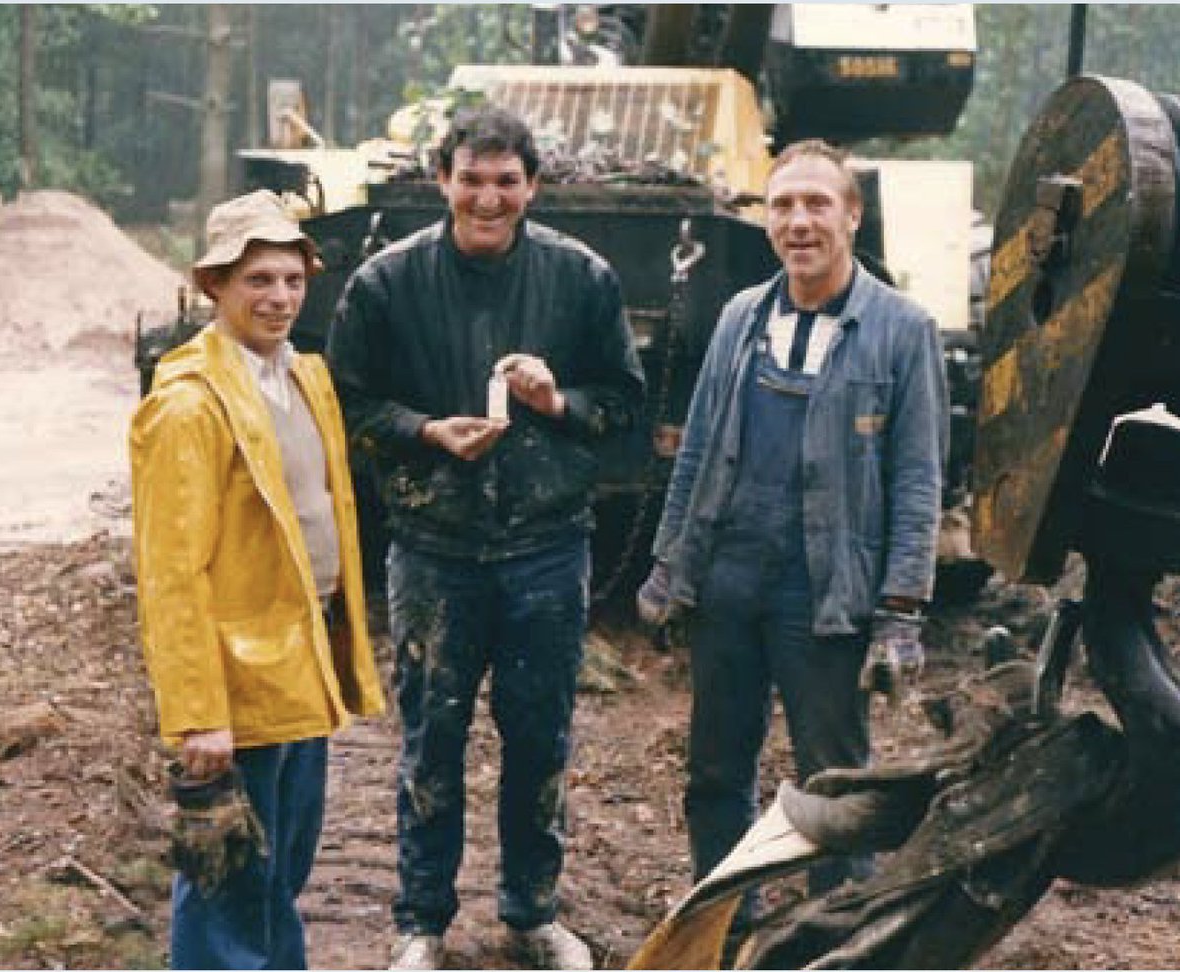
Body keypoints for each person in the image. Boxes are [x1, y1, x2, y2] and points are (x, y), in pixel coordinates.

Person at [327, 105, 645, 971]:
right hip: (435, 546)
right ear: (442, 180)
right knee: (432, 737)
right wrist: (427, 432)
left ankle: (531, 913)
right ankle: (421, 924)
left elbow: (624, 403)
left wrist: (556, 403)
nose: (489, 197)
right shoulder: (386, 285)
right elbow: (347, 404)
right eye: (471, 178)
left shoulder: (582, 280)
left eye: (507, 181)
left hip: (547, 545)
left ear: (532, 186)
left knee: (540, 735)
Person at [638, 139, 947, 905]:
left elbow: (917, 481)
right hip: (729, 581)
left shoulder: (903, 329)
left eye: (816, 203)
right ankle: (725, 916)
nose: (799, 221)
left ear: (853, 214)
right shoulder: (742, 316)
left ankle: (837, 931)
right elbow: (701, 450)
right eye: (782, 205)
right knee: (715, 770)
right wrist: (670, 567)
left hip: (828, 592)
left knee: (836, 784)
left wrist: (900, 612)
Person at [130, 189, 385, 970]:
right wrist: (198, 713)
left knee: (280, 869)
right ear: (214, 286)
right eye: (257, 281)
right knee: (230, 876)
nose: (279, 298)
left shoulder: (305, 378)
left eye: (292, 280)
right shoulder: (188, 404)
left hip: (298, 660)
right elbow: (171, 572)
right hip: (235, 679)